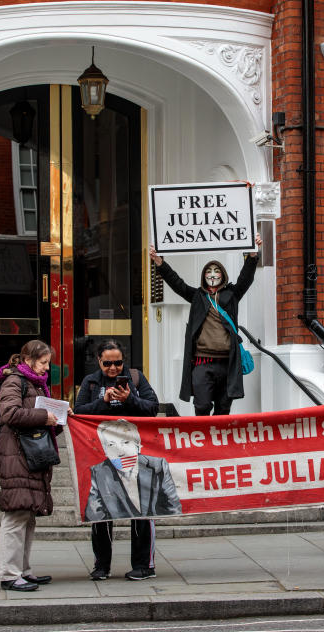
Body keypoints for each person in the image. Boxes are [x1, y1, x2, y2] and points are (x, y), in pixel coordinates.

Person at [73, 342, 168, 581]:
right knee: (102, 511)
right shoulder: (91, 382)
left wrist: (129, 400)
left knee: (141, 509)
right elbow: (79, 412)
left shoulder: (136, 379)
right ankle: (101, 566)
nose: (113, 368)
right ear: (99, 361)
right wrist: (103, 401)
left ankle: (144, 565)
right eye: (108, 363)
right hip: (101, 453)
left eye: (118, 363)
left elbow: (152, 408)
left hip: (135, 452)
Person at [149, 233, 262, 416]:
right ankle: (202, 441)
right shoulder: (197, 297)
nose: (212, 274)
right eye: (208, 271)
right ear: (204, 276)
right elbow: (177, 283)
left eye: (216, 271)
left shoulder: (231, 295)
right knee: (201, 406)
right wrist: (159, 262)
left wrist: (253, 256)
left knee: (223, 408)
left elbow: (245, 278)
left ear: (222, 275)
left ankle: (218, 443)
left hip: (227, 363)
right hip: (202, 363)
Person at [0, 339, 66, 592]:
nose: (46, 368)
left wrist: (55, 421)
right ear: (27, 360)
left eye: (48, 363)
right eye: (43, 362)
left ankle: (22, 570)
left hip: (29, 455)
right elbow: (9, 414)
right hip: (17, 455)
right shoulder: (14, 381)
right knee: (16, 515)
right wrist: (43, 416)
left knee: (27, 515)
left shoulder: (35, 383)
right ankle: (8, 574)